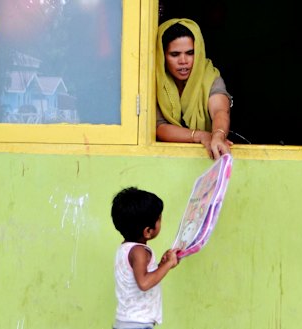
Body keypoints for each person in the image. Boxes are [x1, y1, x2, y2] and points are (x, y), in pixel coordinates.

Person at [156, 18, 233, 160]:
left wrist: (218, 135)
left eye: (190, 53)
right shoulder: (154, 80)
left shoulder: (209, 77)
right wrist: (200, 135)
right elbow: (159, 127)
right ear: (162, 55)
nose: (183, 61)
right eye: (175, 54)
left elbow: (219, 111)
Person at [111, 187, 180, 329]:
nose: (161, 222)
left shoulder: (125, 249)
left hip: (125, 322)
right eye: (159, 219)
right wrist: (168, 265)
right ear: (148, 231)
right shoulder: (139, 251)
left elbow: (143, 275)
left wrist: (162, 265)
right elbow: (144, 283)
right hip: (138, 324)